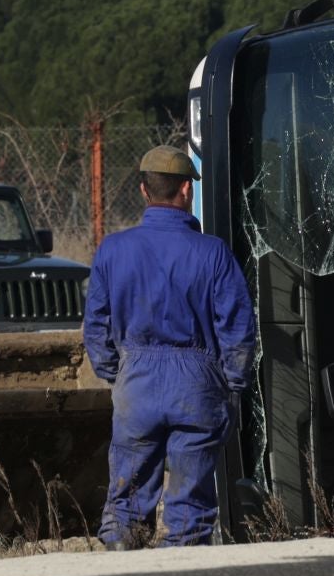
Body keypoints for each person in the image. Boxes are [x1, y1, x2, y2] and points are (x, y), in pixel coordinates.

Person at [83, 146, 256, 548]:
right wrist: (231, 383)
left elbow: (96, 324)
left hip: (136, 384)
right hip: (198, 386)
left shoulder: (112, 250)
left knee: (126, 501)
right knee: (190, 508)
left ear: (144, 191)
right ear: (186, 191)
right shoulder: (212, 252)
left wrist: (114, 371)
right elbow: (238, 328)